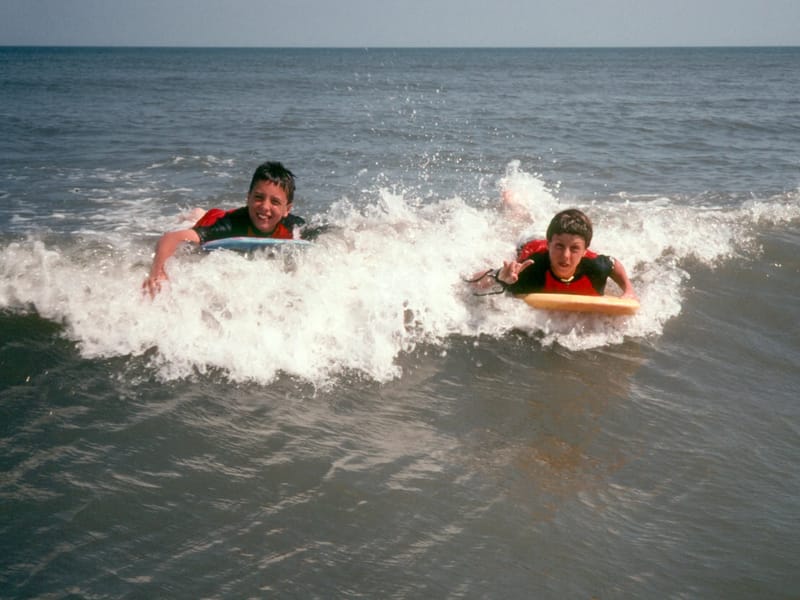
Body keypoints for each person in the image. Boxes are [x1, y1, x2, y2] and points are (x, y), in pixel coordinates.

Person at [143, 161, 304, 296]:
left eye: (275, 202)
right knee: (198, 220)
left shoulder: (293, 225)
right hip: (216, 219)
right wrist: (158, 272)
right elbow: (171, 238)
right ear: (248, 198)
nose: (265, 206)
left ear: (287, 209)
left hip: (233, 216)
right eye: (258, 197)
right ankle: (198, 214)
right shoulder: (229, 225)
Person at [469, 208, 637, 298]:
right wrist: (499, 276)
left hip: (555, 237)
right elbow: (472, 282)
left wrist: (629, 290)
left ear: (585, 251)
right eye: (559, 247)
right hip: (531, 241)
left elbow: (614, 264)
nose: (565, 256)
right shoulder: (532, 269)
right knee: (518, 221)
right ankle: (514, 205)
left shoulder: (596, 266)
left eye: (575, 249)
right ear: (549, 244)